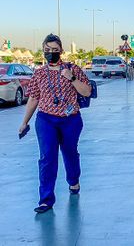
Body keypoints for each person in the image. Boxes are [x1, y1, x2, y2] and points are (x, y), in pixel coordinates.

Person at [18, 34, 92, 213]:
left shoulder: (72, 68)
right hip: (46, 120)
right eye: (47, 50)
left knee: (70, 153)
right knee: (47, 157)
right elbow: (34, 98)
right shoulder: (39, 73)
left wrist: (72, 78)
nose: (51, 53)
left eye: (55, 50)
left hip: (70, 120)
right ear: (43, 51)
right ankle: (46, 199)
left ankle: (73, 180)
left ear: (61, 51)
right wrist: (24, 122)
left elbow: (87, 92)